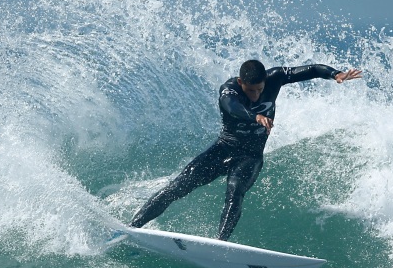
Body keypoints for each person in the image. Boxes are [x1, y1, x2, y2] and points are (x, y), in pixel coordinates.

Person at [130, 60, 362, 241]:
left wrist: (335, 74)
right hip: (223, 148)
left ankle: (219, 243)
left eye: (259, 89)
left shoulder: (276, 77)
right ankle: (133, 227)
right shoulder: (229, 90)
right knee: (178, 186)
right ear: (241, 83)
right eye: (250, 90)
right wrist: (255, 116)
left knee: (235, 193)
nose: (256, 95)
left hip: (250, 155)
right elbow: (231, 107)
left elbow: (310, 70)